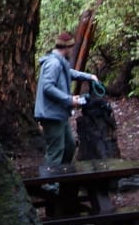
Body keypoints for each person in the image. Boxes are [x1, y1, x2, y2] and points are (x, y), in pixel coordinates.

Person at [35, 31, 100, 172]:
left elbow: (69, 73)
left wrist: (89, 76)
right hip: (50, 114)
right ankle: (48, 183)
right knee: (56, 150)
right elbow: (48, 87)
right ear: (67, 47)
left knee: (69, 145)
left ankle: (61, 176)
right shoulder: (53, 64)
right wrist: (69, 99)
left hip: (59, 113)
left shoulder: (59, 62)